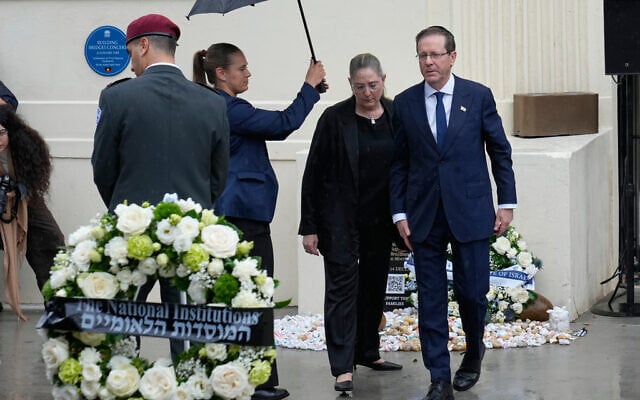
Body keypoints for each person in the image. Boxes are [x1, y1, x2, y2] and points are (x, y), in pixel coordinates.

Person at [91, 14, 230, 362]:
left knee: (123, 324)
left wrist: (125, 210)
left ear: (143, 46)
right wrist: (195, 210)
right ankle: (189, 383)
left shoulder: (118, 97)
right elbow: (218, 174)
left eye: (130, 53)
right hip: (189, 232)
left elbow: (103, 168)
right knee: (188, 328)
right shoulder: (212, 101)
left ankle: (125, 382)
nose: (131, 64)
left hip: (131, 233)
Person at [192, 42, 327, 400]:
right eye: (242, 68)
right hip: (243, 218)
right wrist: (309, 86)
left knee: (236, 299)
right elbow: (282, 124)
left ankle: (235, 379)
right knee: (255, 298)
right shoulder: (230, 109)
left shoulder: (212, 104)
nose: (248, 73)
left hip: (232, 216)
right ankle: (259, 382)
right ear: (221, 73)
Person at [389, 26, 517, 400]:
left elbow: (499, 150)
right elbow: (398, 162)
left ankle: (474, 352)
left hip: (471, 210)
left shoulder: (477, 96)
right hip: (424, 214)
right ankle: (439, 378)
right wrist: (399, 213)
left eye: (435, 54)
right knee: (431, 299)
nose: (428, 61)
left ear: (452, 57)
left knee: (473, 294)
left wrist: (506, 203)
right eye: (422, 55)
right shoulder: (406, 103)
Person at [298, 53, 402, 393]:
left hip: (381, 220)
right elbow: (313, 173)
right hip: (340, 220)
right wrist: (309, 226)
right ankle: (343, 367)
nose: (367, 93)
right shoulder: (334, 118)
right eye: (360, 87)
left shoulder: (396, 115)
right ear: (349, 85)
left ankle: (368, 351)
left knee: (374, 286)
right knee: (341, 291)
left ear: (384, 79)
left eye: (373, 85)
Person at [0, 82, 65, 313]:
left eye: (1, 133)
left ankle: (58, 306)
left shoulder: (26, 144)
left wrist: (21, 190)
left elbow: (37, 176)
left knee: (51, 241)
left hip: (27, 202)